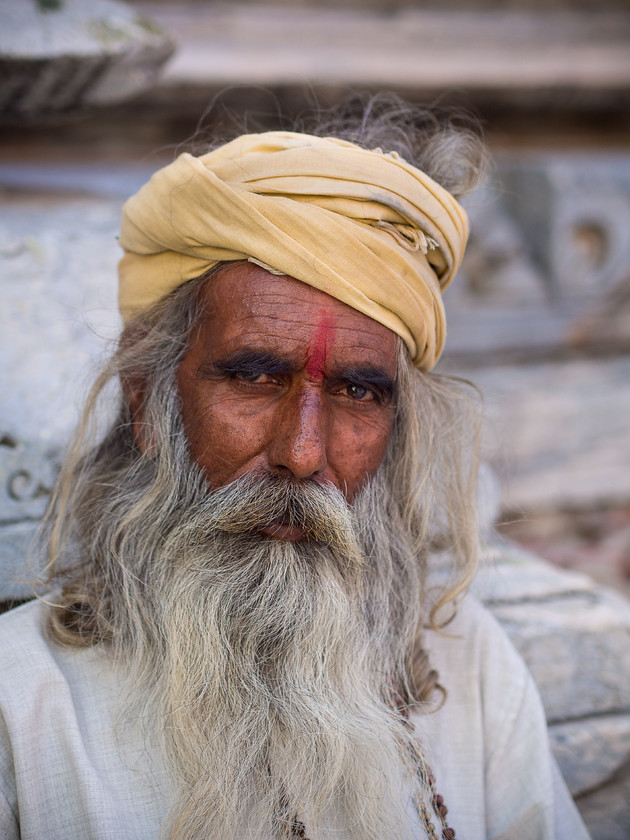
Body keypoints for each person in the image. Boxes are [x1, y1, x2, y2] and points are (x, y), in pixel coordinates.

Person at [0, 96, 591, 840]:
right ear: (148, 399)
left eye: (357, 391)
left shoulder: (468, 669)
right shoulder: (20, 704)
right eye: (253, 377)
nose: (303, 453)